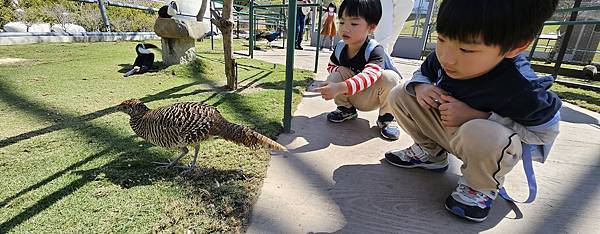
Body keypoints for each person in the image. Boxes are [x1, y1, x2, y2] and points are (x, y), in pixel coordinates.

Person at [384, 0, 561, 222]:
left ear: (516, 46)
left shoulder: (522, 88)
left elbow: (543, 135)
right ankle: (430, 154)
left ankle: (480, 186)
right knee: (401, 93)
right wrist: (421, 86)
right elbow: (425, 72)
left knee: (483, 131)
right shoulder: (444, 57)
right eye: (441, 39)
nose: (446, 57)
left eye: (467, 49)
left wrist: (481, 116)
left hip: (486, 145)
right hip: (448, 131)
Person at [315, 0, 402, 140]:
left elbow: (370, 75)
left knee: (390, 78)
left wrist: (339, 87)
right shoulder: (340, 47)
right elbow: (330, 66)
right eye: (342, 22)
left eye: (354, 24)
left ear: (371, 27)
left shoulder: (374, 49)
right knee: (333, 76)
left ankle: (386, 117)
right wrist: (339, 68)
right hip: (351, 96)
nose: (345, 29)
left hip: (371, 97)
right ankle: (346, 110)